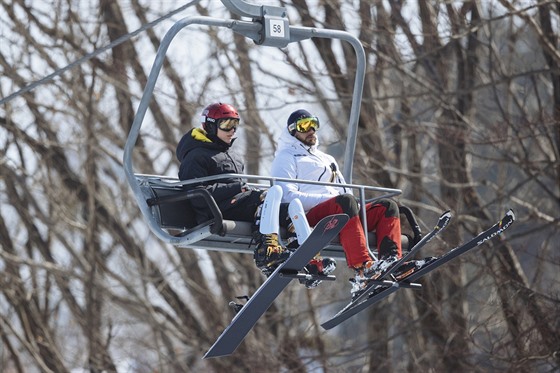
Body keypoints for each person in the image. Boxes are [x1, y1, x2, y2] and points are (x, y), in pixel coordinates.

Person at [176, 103, 332, 286]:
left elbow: (239, 188)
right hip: (215, 210)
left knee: (290, 208)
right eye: (226, 125)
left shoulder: (231, 154)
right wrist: (236, 189)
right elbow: (196, 193)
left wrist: (240, 190)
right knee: (271, 194)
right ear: (210, 126)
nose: (232, 130)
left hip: (237, 204)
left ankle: (310, 257)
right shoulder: (196, 156)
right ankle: (267, 250)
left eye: (235, 124)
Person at [271, 109, 404, 296]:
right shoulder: (285, 157)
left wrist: (350, 204)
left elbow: (345, 191)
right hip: (310, 215)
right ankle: (363, 267)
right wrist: (331, 200)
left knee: (386, 207)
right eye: (304, 126)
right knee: (345, 203)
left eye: (313, 124)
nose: (311, 130)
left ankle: (391, 261)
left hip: (342, 208)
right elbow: (287, 196)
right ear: (293, 131)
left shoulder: (327, 159)